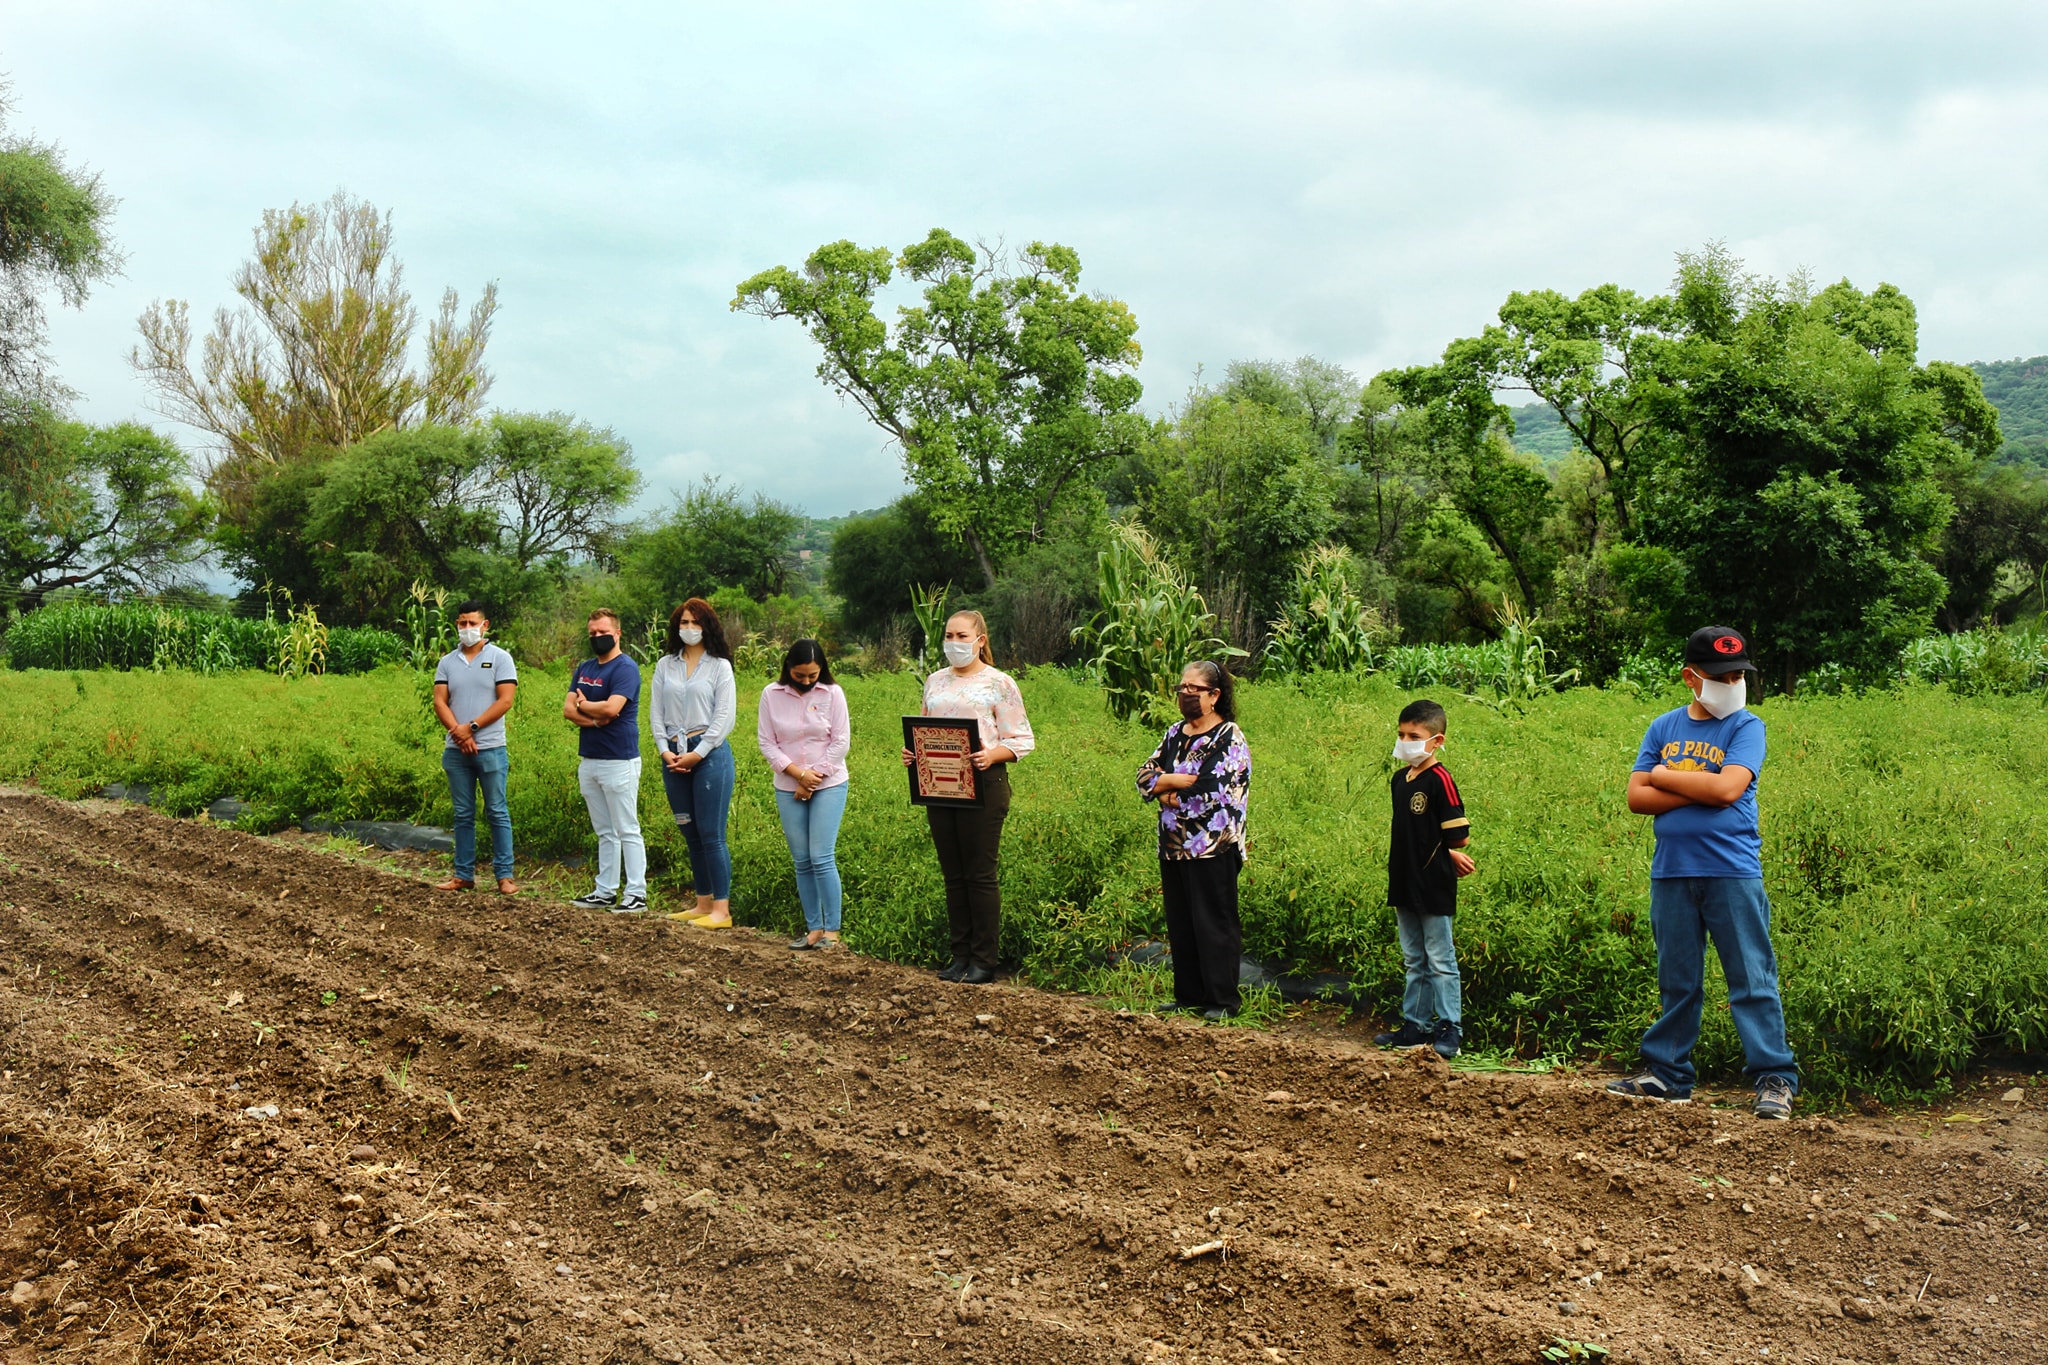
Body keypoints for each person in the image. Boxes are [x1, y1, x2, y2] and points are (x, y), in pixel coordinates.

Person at [1609, 626, 1798, 1120]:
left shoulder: (1745, 727)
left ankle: (1774, 1078)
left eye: (1738, 674)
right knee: (1678, 978)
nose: (1732, 683)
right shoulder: (1663, 727)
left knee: (1751, 978)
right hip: (1672, 872)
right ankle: (1667, 1074)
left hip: (1732, 870)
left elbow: (1728, 791)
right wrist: (1700, 784)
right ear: (1691, 677)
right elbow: (1635, 798)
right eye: (1720, 676)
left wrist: (1665, 777)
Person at [900, 610, 1034, 985]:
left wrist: (992, 754)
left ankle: (983, 960)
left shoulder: (999, 683)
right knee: (953, 875)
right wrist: (913, 752)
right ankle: (959, 956)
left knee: (979, 873)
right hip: (941, 786)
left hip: (985, 785)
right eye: (949, 635)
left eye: (962, 635)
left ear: (980, 640)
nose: (954, 642)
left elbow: (1021, 739)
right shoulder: (934, 681)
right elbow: (925, 727)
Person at [1136, 661, 1252, 1021]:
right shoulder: (1174, 734)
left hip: (1212, 845)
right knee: (1182, 923)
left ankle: (1221, 1001)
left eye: (1194, 689)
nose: (1185, 694)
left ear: (1214, 696)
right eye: (1182, 687)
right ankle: (1187, 996)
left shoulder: (1228, 736)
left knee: (1213, 923)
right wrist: (1172, 782)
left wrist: (1167, 787)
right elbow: (1144, 776)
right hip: (1172, 846)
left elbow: (1213, 791)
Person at [1373, 698, 1475, 1059]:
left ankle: (1450, 1028)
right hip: (1403, 880)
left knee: (1440, 959)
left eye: (1413, 735)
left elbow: (1457, 834)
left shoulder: (1440, 780)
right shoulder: (1400, 779)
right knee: (1414, 958)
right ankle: (1414, 1025)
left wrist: (1448, 852)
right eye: (1401, 734)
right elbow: (1413, 832)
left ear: (1437, 740)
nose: (1405, 741)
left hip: (1433, 882)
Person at [649, 598, 738, 929]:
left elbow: (724, 717)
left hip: (708, 755)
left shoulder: (720, 667)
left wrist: (698, 753)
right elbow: (656, 712)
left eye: (695, 622)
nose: (688, 629)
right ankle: (702, 903)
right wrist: (664, 749)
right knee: (690, 831)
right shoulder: (665, 665)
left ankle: (721, 909)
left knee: (711, 833)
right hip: (673, 754)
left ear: (708, 626)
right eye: (683, 623)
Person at [758, 639, 851, 950]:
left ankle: (832, 930)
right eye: (800, 676)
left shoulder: (833, 693)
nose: (807, 681)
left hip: (829, 782)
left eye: (813, 675)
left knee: (821, 856)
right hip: (788, 784)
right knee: (802, 860)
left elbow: (840, 742)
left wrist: (812, 777)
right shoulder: (771, 695)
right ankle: (813, 928)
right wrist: (798, 774)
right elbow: (767, 743)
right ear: (788, 669)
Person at [430, 600, 519, 895]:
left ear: (485, 625)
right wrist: (459, 733)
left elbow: (505, 700)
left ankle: (504, 875)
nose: (466, 628)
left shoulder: (500, 658)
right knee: (462, 813)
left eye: (472, 623)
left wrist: (472, 728)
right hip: (456, 750)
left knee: (496, 810)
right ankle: (463, 874)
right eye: (461, 623)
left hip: (491, 747)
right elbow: (440, 701)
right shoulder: (447, 662)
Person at [562, 608, 647, 913]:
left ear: (617, 633)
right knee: (604, 830)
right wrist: (593, 717)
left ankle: (636, 893)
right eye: (593, 633)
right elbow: (569, 710)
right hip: (590, 757)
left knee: (626, 828)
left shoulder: (626, 669)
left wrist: (589, 705)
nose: (598, 637)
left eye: (603, 632)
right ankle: (605, 891)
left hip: (619, 760)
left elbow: (613, 709)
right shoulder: (585, 667)